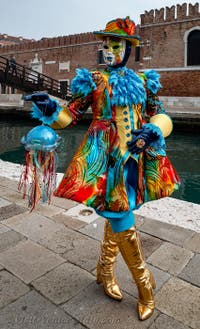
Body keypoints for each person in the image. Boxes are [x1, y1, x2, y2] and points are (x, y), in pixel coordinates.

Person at [26, 17, 180, 321]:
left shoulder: (144, 81)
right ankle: (145, 285)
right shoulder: (93, 80)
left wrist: (153, 130)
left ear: (128, 49)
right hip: (104, 156)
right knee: (120, 215)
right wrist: (48, 108)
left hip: (136, 155)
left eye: (115, 44)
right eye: (106, 44)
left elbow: (161, 114)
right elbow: (69, 115)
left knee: (117, 211)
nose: (109, 49)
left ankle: (104, 270)